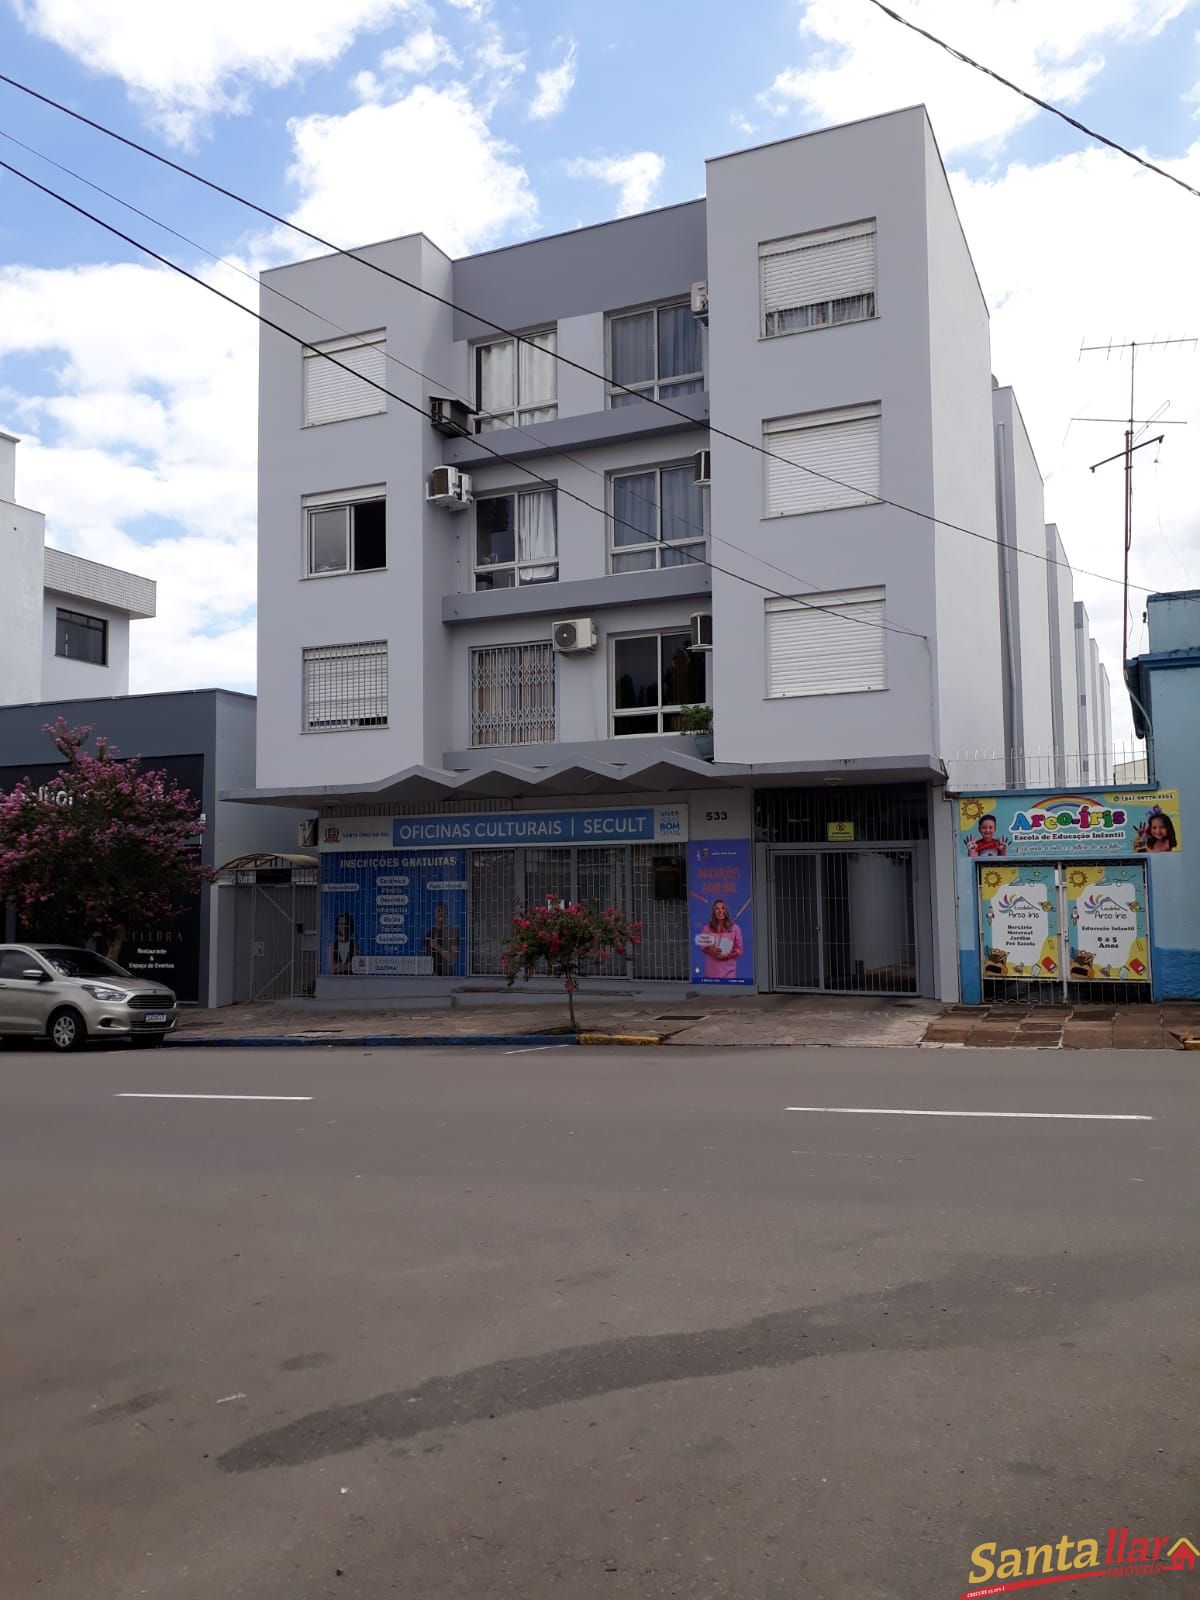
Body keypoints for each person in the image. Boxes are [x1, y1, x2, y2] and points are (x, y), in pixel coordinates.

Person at [695, 898, 743, 980]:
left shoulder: (735, 928)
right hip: (711, 972)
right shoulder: (707, 928)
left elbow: (739, 950)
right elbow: (703, 947)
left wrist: (728, 955)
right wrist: (712, 952)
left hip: (729, 972)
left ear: (726, 911)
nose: (720, 911)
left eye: (723, 908)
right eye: (717, 908)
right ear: (713, 911)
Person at [424, 902, 461, 976]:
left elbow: (453, 958)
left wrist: (437, 946)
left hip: (449, 975)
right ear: (435, 914)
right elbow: (425, 958)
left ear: (447, 914)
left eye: (443, 911)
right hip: (433, 976)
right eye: (438, 911)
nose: (441, 913)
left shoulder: (452, 932)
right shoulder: (430, 933)